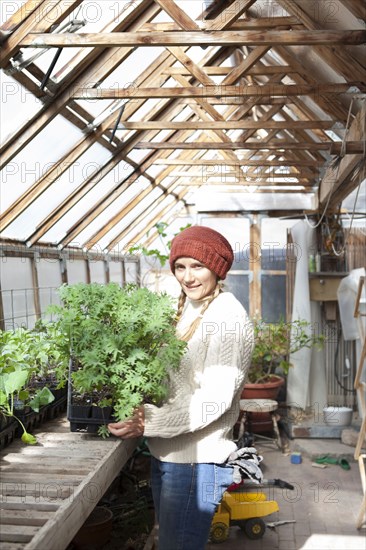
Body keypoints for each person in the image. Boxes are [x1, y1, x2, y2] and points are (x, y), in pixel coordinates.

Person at [108, 225, 254, 550]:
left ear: (217, 269)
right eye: (180, 266)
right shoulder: (188, 309)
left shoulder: (228, 318)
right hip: (169, 455)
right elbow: (177, 380)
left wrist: (149, 421)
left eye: (198, 266)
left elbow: (213, 401)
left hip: (196, 465)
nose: (188, 277)